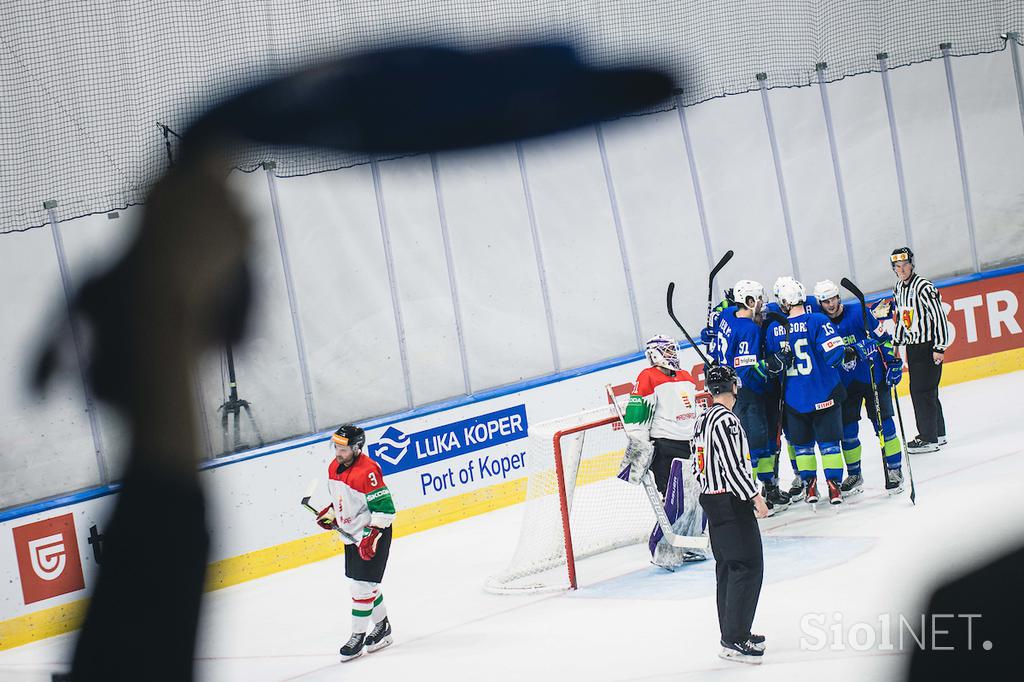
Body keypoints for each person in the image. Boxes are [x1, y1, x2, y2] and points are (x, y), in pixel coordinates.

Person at [693, 364, 770, 664]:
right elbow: (733, 465)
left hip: (712, 501)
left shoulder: (702, 420)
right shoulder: (728, 421)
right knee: (747, 566)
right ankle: (736, 639)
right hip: (731, 501)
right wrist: (755, 496)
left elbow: (698, 463)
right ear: (734, 387)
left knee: (727, 567)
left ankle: (733, 633)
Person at [813, 280, 906, 495]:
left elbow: (883, 338)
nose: (830, 304)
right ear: (820, 303)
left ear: (838, 297)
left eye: (833, 299)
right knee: (847, 433)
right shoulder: (820, 324)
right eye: (825, 301)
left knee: (884, 426)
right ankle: (855, 474)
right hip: (844, 385)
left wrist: (893, 363)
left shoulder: (859, 312)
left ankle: (894, 469)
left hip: (872, 377)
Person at [622, 334, 707, 567]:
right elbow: (637, 418)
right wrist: (640, 452)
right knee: (675, 500)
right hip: (666, 446)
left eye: (673, 349)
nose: (672, 354)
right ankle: (663, 549)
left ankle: (690, 545)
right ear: (654, 355)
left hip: (691, 444)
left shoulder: (686, 376)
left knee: (698, 498)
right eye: (667, 350)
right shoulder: (647, 377)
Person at [315, 424, 397, 661]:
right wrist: (331, 515)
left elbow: (385, 509)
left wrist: (371, 536)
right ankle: (383, 628)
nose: (338, 453)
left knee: (360, 587)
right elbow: (342, 501)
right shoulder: (334, 467)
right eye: (336, 447)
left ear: (357, 447)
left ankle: (357, 637)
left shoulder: (368, 471)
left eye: (343, 448)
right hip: (351, 533)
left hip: (374, 534)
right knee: (365, 584)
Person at [764, 278, 847, 504]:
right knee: (829, 445)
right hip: (824, 394)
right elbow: (835, 355)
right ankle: (833, 486)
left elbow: (771, 366)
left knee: (802, 447)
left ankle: (810, 486)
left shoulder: (774, 329)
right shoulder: (818, 320)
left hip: (794, 399)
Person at [712, 279, 790, 512]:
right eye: (757, 299)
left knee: (761, 443)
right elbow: (747, 370)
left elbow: (717, 321)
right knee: (757, 446)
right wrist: (772, 364)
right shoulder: (750, 330)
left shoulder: (726, 314)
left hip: (732, 392)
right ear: (747, 301)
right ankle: (753, 496)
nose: (762, 303)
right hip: (748, 393)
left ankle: (769, 488)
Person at [889, 247, 950, 453]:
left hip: (928, 346)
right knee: (928, 392)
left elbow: (939, 317)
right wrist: (896, 344)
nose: (902, 269)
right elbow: (903, 319)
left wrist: (939, 347)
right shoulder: (898, 288)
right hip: (912, 347)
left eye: (905, 265)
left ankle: (927, 437)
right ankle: (938, 434)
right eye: (898, 267)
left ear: (911, 265)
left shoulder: (924, 286)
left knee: (921, 392)